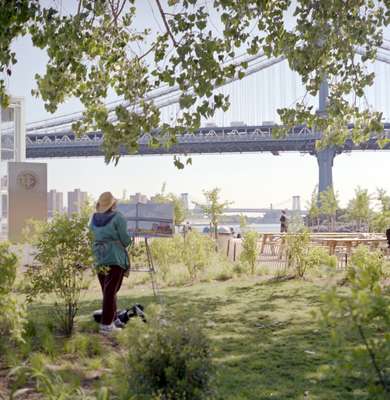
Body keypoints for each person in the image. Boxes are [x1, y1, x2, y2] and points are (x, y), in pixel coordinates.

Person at [90, 192, 132, 334]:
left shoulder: (94, 218)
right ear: (113, 203)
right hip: (114, 256)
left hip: (99, 256)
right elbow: (126, 240)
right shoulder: (118, 217)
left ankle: (113, 319)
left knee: (107, 290)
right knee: (110, 291)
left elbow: (91, 235)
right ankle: (106, 325)